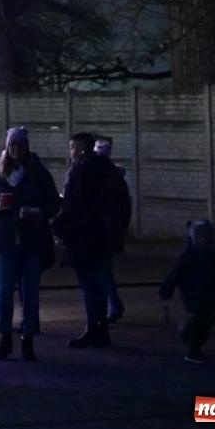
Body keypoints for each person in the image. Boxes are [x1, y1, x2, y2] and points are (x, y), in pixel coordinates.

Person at [50, 131, 131, 349]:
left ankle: (94, 330)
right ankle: (100, 329)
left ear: (83, 149)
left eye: (73, 148)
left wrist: (57, 226)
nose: (71, 152)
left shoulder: (81, 172)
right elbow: (124, 203)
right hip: (104, 237)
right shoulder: (109, 171)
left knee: (90, 286)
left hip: (85, 238)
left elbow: (73, 206)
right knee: (99, 284)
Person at [0, 126, 61, 362]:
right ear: (7, 148)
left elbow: (54, 203)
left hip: (32, 241)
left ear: (26, 147)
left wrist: (37, 212)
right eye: (12, 145)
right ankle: (6, 336)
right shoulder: (0, 174)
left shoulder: (38, 172)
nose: (16, 149)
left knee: (30, 293)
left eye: (20, 144)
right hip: (6, 240)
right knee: (4, 291)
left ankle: (27, 339)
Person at [159, 218, 215, 363]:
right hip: (193, 295)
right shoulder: (187, 257)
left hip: (212, 295)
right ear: (195, 236)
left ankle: (190, 335)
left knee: (206, 321)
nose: (205, 238)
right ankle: (193, 350)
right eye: (202, 235)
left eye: (208, 235)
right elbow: (174, 275)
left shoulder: (213, 255)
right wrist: (166, 291)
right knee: (201, 320)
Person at [93, 137, 127, 323]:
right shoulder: (114, 177)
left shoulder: (106, 178)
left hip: (102, 231)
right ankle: (112, 305)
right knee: (103, 270)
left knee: (102, 271)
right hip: (108, 230)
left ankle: (112, 307)